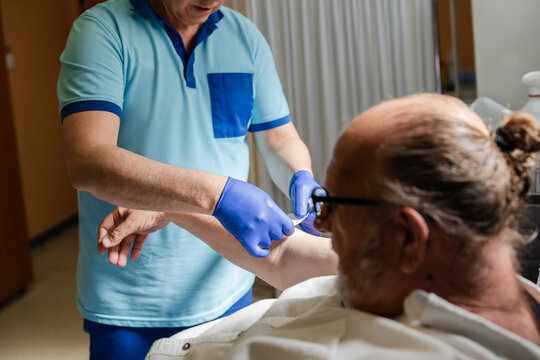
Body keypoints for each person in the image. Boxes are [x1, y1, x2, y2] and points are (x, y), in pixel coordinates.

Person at [101, 93, 540, 359]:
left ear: (407, 236)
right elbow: (283, 254)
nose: (320, 221)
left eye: (334, 205)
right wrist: (172, 207)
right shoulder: (436, 270)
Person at [57, 0, 321, 358]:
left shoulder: (244, 37)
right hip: (131, 297)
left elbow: (279, 138)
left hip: (229, 282)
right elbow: (86, 161)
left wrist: (299, 174)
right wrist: (218, 194)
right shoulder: (103, 31)